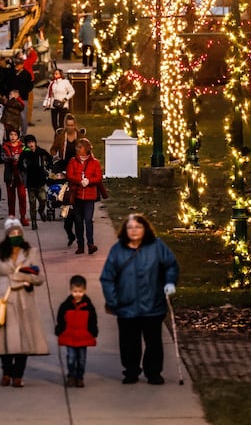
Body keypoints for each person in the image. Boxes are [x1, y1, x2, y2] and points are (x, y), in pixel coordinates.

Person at [100, 213, 179, 385]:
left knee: (154, 342)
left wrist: (170, 282)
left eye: (138, 227)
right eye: (130, 227)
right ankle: (131, 371)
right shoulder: (118, 250)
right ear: (125, 230)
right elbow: (107, 277)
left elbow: (170, 265)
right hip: (126, 306)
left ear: (145, 229)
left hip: (153, 304)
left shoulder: (157, 246)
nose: (134, 231)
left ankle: (154, 372)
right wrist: (113, 301)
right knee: (129, 342)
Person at [0, 217, 49, 387]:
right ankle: (6, 372)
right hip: (4, 299)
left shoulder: (30, 252)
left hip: (24, 300)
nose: (16, 235)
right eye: (13, 233)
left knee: (23, 339)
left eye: (19, 232)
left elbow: (39, 277)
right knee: (5, 339)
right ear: (7, 235)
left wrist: (24, 278)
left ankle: (18, 375)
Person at [55, 275, 98, 388]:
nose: (77, 294)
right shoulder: (65, 305)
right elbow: (60, 319)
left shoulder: (88, 306)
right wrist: (60, 329)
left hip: (83, 336)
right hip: (70, 335)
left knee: (82, 359)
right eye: (75, 291)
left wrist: (93, 331)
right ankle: (71, 376)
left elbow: (93, 320)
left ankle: (80, 377)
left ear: (85, 290)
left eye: (80, 291)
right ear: (70, 290)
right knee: (71, 357)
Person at [50, 114, 85, 246]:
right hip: (64, 165)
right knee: (62, 188)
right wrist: (54, 156)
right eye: (68, 125)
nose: (70, 128)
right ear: (65, 125)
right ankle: (63, 204)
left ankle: (78, 208)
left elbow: (87, 148)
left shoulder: (80, 137)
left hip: (76, 165)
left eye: (72, 125)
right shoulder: (60, 136)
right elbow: (53, 149)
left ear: (75, 125)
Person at [65, 138, 103, 255]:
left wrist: (89, 181)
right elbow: (70, 175)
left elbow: (98, 177)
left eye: (80, 147)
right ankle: (80, 245)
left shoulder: (94, 162)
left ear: (86, 149)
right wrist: (79, 180)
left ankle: (90, 243)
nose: (77, 149)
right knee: (78, 221)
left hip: (89, 197)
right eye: (77, 147)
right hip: (76, 196)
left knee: (88, 220)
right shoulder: (73, 161)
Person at [18, 134, 52, 229]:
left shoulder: (41, 152)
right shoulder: (24, 154)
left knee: (43, 199)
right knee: (32, 203)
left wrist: (48, 166)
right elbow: (20, 166)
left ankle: (41, 211)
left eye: (32, 142)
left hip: (40, 181)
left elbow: (49, 159)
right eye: (29, 143)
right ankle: (33, 221)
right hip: (30, 182)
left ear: (35, 143)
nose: (31, 144)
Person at [2, 129, 29, 226]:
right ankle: (11, 217)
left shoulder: (23, 146)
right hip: (10, 175)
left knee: (22, 196)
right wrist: (12, 158)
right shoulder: (5, 146)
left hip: (20, 175)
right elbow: (3, 158)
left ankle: (23, 216)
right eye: (11, 134)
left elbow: (27, 158)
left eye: (15, 134)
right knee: (11, 198)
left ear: (18, 136)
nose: (13, 136)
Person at [8, 57, 33, 134]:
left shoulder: (27, 74)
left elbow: (30, 86)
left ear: (22, 65)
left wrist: (21, 92)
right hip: (12, 98)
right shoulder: (12, 73)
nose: (16, 66)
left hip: (23, 98)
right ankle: (14, 133)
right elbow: (8, 84)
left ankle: (24, 133)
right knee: (12, 116)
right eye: (15, 64)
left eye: (18, 64)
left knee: (23, 117)